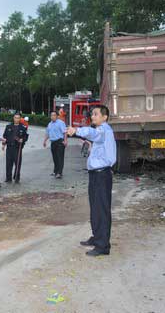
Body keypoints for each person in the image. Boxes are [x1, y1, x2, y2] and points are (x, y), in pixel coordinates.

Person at [67, 105, 116, 257]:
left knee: (101, 209)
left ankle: (103, 246)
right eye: (92, 114)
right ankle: (97, 238)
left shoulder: (104, 130)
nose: (93, 117)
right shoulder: (100, 131)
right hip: (96, 174)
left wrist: (77, 131)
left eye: (95, 114)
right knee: (95, 208)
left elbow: (92, 133)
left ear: (104, 117)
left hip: (102, 175)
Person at [2, 113, 28, 183]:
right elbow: (5, 136)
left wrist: (23, 140)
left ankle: (16, 177)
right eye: (15, 117)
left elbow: (26, 137)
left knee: (18, 163)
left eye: (18, 118)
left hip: (17, 148)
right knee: (8, 163)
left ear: (20, 119)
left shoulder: (23, 127)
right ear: (13, 118)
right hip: (9, 147)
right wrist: (3, 144)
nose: (16, 119)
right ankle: (8, 178)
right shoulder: (8, 126)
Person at [43, 111, 68, 178]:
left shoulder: (61, 123)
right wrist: (45, 141)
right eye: (51, 115)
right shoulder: (49, 124)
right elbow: (47, 133)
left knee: (60, 158)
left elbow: (65, 132)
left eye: (54, 115)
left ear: (57, 116)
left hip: (60, 142)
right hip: (53, 142)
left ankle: (59, 173)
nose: (52, 117)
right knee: (55, 158)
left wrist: (65, 141)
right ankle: (55, 171)